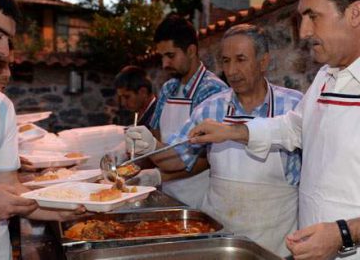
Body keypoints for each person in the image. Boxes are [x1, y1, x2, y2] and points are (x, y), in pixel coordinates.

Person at [189, 0, 360, 259]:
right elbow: (294, 128)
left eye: (313, 17)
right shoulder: (326, 76)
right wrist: (233, 131)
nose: (304, 32)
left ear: (355, 13)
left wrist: (343, 233)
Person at [126, 24, 303, 256]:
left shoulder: (293, 106)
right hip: (220, 240)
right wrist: (151, 147)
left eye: (241, 59)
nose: (231, 70)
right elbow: (177, 159)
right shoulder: (211, 107)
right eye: (226, 61)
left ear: (263, 62)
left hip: (274, 244)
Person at [0, 0, 84, 259]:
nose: (4, 51)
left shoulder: (1, 105)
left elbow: (11, 188)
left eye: (8, 39)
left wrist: (60, 207)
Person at [141, 14, 227, 207]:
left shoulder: (213, 90)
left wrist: (159, 175)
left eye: (170, 56)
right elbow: (156, 135)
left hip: (199, 197)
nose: (164, 64)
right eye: (162, 56)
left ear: (191, 50)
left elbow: (208, 158)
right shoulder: (167, 88)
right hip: (168, 192)